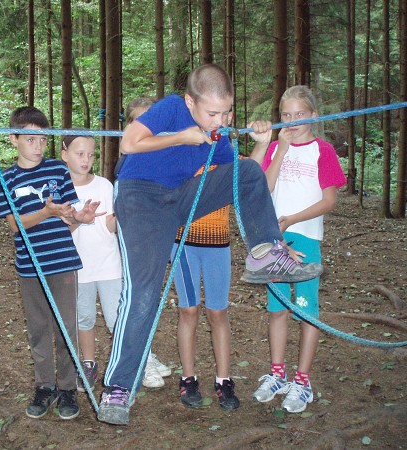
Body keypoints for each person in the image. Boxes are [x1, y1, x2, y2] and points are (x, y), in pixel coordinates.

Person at [97, 64, 323, 426]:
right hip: (140, 197)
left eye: (225, 113)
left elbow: (249, 182)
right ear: (191, 102)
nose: (219, 120)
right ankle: (119, 388)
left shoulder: (215, 138)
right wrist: (182, 137)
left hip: (180, 197)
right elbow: (128, 142)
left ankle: (265, 253)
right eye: (212, 113)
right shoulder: (172, 108)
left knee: (247, 171)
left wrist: (264, 145)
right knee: (143, 293)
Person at [0, 106, 103, 421]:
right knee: (39, 329)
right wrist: (45, 212)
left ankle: (68, 388)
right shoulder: (7, 177)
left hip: (63, 262)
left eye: (43, 139)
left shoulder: (58, 169)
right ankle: (44, 386)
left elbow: (69, 211)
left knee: (66, 327)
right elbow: (14, 225)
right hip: (31, 267)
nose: (38, 145)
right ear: (14, 138)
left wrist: (80, 217)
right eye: (31, 139)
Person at [252, 85, 346, 413]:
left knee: (306, 308)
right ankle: (278, 373)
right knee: (277, 308)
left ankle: (302, 380)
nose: (292, 122)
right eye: (286, 115)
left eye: (299, 115)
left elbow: (329, 200)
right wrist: (280, 150)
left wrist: (291, 219)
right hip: (275, 242)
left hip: (304, 239)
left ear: (313, 116)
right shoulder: (278, 147)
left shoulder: (323, 150)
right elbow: (265, 187)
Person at [172, 130, 269, 412]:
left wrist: (263, 143)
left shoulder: (229, 159)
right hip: (184, 246)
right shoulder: (185, 155)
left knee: (218, 311)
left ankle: (224, 379)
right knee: (188, 310)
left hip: (218, 246)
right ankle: (188, 377)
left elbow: (251, 173)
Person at [61, 133, 120, 392]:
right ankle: (88, 363)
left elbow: (110, 225)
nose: (86, 160)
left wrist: (126, 210)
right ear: (65, 154)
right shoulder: (60, 188)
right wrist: (78, 219)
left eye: (91, 155)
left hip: (109, 264)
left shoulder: (105, 186)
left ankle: (121, 365)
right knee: (84, 318)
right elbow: (60, 232)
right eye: (79, 154)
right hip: (77, 266)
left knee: (115, 317)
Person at [123, 99, 173, 389]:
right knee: (136, 301)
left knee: (149, 301)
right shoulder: (129, 162)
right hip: (133, 244)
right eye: (139, 122)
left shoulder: (166, 159)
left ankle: (147, 355)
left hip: (157, 240)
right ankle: (137, 363)